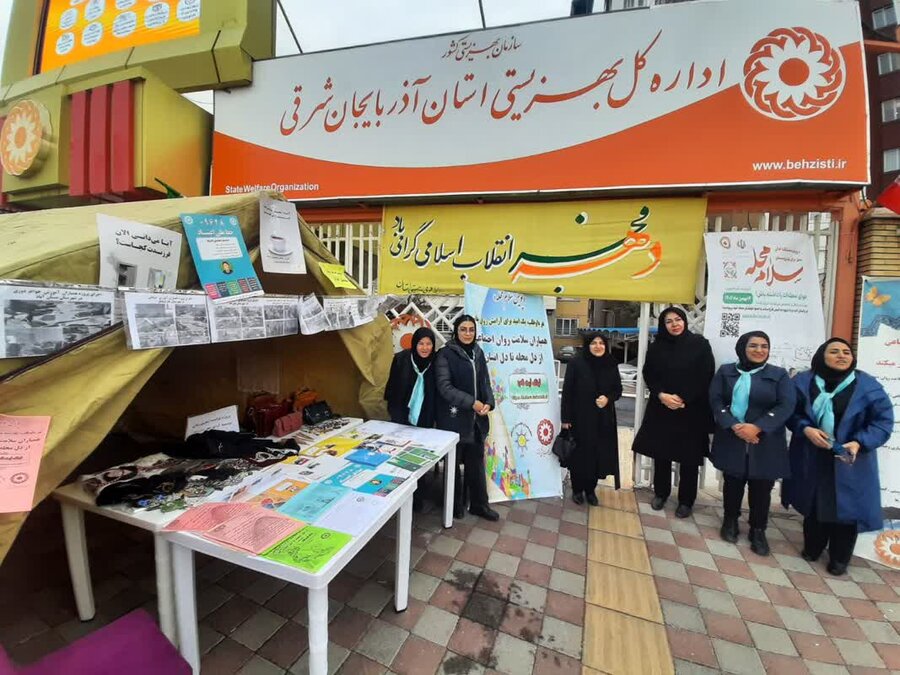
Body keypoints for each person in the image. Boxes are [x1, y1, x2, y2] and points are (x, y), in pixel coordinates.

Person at [782, 338, 894, 576]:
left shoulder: (867, 386)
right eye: (834, 351)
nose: (842, 355)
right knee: (815, 503)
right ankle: (813, 547)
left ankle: (840, 557)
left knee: (846, 507)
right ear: (822, 356)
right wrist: (805, 429)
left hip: (850, 458)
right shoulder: (803, 382)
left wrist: (859, 442)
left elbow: (883, 422)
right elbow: (790, 412)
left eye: (846, 352)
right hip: (812, 453)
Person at [709, 331, 795, 556]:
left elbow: (786, 405)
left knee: (762, 487)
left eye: (764, 346)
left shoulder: (779, 375)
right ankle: (730, 520)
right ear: (742, 348)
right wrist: (734, 425)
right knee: (732, 482)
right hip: (732, 436)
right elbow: (716, 400)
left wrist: (757, 427)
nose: (759, 350)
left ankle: (758, 529)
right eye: (753, 346)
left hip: (765, 439)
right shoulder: (726, 371)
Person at [633, 307, 715, 518]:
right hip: (663, 408)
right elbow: (649, 373)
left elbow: (706, 374)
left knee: (689, 458)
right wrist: (662, 395)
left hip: (691, 410)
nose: (674, 324)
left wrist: (683, 399)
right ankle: (661, 493)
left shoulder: (699, 344)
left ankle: (686, 501)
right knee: (662, 454)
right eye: (668, 321)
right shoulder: (657, 346)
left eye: (677, 319)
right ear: (663, 325)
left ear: (684, 321)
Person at [435, 314, 499, 521]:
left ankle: (479, 505)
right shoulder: (445, 354)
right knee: (452, 465)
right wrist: (472, 402)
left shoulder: (478, 352)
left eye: (471, 329)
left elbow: (485, 381)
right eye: (463, 329)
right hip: (453, 419)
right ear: (456, 331)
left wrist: (488, 402)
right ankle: (453, 505)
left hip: (476, 420)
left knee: (476, 463)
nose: (468, 333)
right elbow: (445, 387)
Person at [561, 332, 623, 505]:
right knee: (580, 455)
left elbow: (618, 389)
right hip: (580, 418)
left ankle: (590, 490)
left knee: (597, 455)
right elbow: (567, 391)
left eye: (601, 343)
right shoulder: (576, 363)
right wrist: (565, 418)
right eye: (594, 343)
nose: (598, 346)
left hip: (602, 420)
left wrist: (608, 399)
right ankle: (577, 489)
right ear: (587, 345)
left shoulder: (610, 363)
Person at [384, 327, 438, 512]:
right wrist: (396, 415)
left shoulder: (436, 362)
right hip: (402, 415)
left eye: (429, 344)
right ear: (414, 344)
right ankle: (400, 496)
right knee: (401, 457)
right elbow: (391, 388)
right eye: (421, 343)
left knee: (418, 457)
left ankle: (418, 496)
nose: (425, 348)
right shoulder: (401, 359)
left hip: (425, 416)